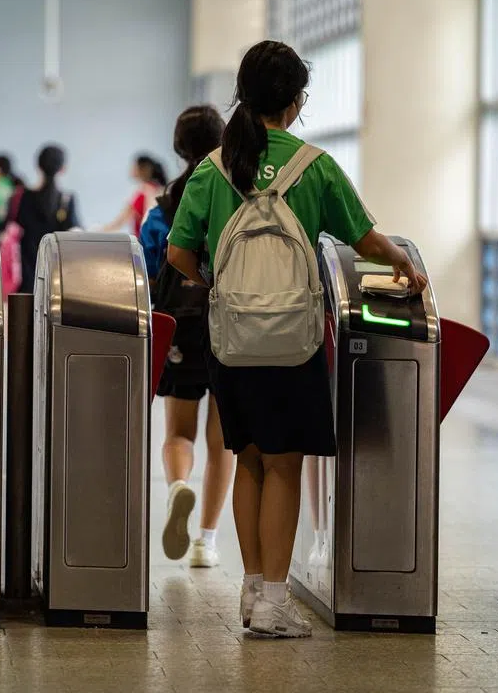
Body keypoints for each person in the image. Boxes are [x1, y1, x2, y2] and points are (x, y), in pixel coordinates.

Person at [166, 40, 426, 639]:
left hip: (230, 338)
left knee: (249, 460)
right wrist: (408, 269)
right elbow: (365, 239)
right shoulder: (314, 166)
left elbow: (179, 253)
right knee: (285, 465)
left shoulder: (211, 168)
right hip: (292, 338)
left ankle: (253, 590)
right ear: (294, 101)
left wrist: (219, 283)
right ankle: (277, 605)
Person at [139, 106, 232, 569]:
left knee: (179, 432)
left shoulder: (163, 209)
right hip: (229, 323)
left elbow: (149, 269)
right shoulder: (234, 197)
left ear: (178, 148)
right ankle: (206, 543)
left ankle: (178, 486)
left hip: (179, 325)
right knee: (223, 441)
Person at [0, 144, 80, 292]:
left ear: (38, 166)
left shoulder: (19, 197)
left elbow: (1, 230)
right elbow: (75, 233)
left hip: (24, 282)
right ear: (63, 169)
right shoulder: (66, 200)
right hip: (56, 282)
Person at [101, 154, 166, 236]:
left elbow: (120, 222)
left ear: (143, 169)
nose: (131, 169)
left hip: (143, 244)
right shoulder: (158, 189)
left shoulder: (142, 192)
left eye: (134, 166)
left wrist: (98, 231)